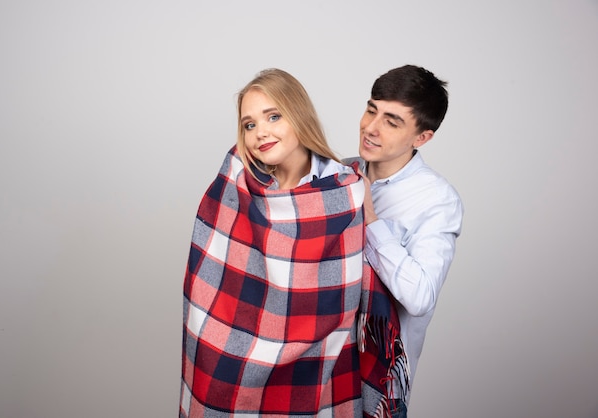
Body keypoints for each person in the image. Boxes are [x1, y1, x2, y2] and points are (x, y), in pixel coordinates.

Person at [180, 68, 404, 417]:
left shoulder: (343, 191)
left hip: (319, 361)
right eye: (249, 124)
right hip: (232, 359)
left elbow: (345, 290)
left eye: (273, 116)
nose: (260, 132)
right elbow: (210, 279)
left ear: (299, 116)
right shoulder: (237, 183)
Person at [347, 64, 464, 417]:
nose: (370, 127)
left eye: (392, 121)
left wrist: (368, 214)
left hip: (378, 388)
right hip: (319, 372)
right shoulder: (339, 172)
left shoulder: (438, 200)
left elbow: (420, 296)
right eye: (371, 109)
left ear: (422, 137)